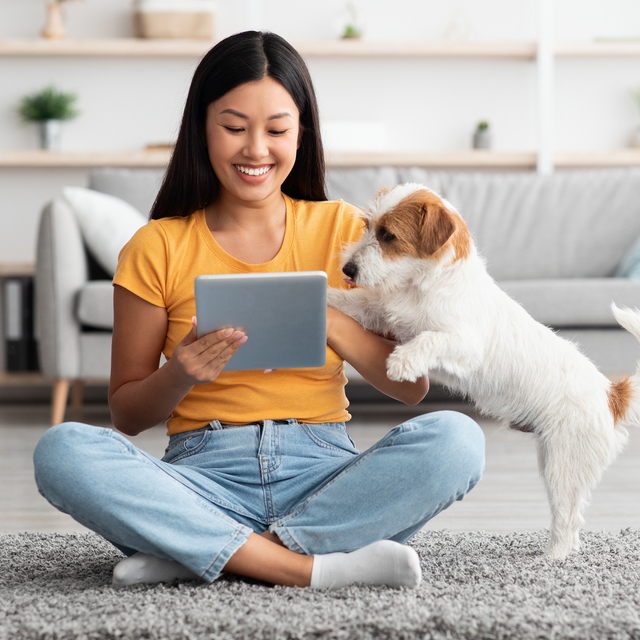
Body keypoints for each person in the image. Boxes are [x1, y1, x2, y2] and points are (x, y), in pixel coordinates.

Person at [33, 31, 485, 591]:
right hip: (202, 476)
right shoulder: (156, 245)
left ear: (301, 133)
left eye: (276, 129)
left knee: (457, 440)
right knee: (63, 450)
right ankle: (302, 565)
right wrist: (181, 372)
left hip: (323, 470)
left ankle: (200, 552)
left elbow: (411, 387)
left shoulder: (350, 233)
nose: (255, 149)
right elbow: (126, 414)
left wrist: (331, 323)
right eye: (233, 127)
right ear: (202, 128)